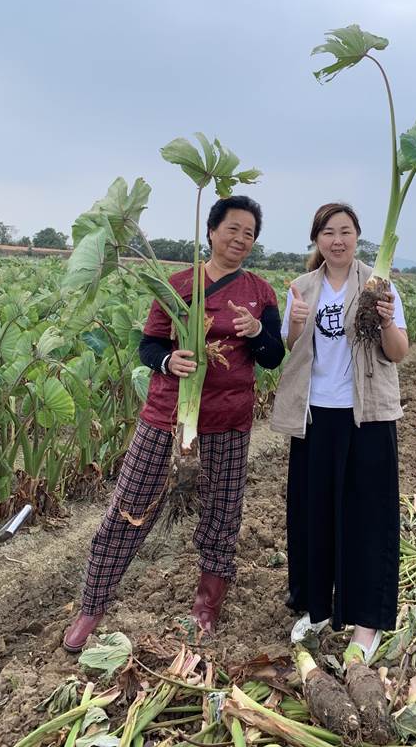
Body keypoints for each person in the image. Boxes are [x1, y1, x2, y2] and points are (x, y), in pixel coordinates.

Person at [64, 195, 285, 653]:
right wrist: (169, 359)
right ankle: (93, 604)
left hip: (227, 420)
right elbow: (148, 346)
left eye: (249, 234)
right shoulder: (178, 285)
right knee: (129, 506)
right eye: (233, 229)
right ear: (211, 231)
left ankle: (207, 604)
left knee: (222, 513)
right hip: (167, 417)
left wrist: (257, 333)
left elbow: (272, 358)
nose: (241, 239)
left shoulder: (260, 293)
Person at [270, 202, 408, 663]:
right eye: (328, 232)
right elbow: (293, 348)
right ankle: (317, 609)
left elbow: (398, 352)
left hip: (367, 416)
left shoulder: (379, 286)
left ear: (358, 236)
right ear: (316, 239)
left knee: (368, 517)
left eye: (345, 231)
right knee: (313, 515)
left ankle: (367, 623)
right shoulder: (302, 287)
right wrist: (292, 323)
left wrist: (387, 318)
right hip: (315, 418)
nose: (337, 240)